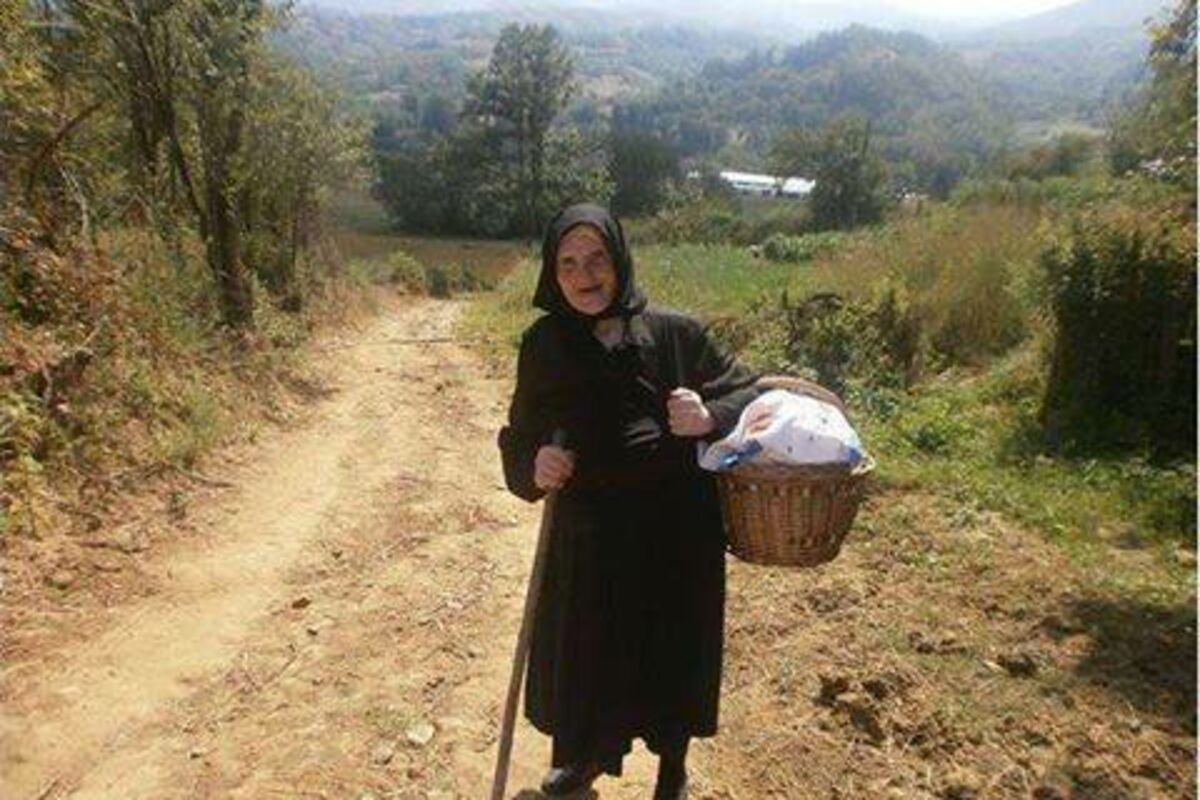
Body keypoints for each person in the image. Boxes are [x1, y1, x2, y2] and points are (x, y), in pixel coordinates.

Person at [497, 203, 762, 799]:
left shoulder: (676, 332)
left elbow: (750, 393)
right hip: (587, 534)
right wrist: (535, 463)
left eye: (596, 259)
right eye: (568, 263)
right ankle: (582, 760)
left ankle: (672, 770)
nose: (584, 275)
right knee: (586, 653)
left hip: (674, 530)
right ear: (552, 273)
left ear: (619, 259)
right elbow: (520, 434)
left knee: (669, 651)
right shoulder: (544, 344)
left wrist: (708, 415)